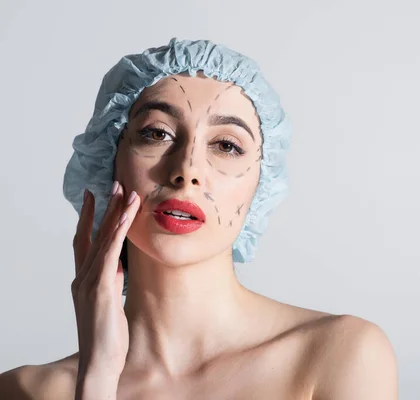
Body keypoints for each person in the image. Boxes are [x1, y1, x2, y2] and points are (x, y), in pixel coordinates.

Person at [0, 38, 398, 399]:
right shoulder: (25, 391)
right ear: (108, 162)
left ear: (261, 184)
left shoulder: (340, 355)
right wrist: (99, 377)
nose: (187, 169)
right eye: (157, 134)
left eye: (227, 145)